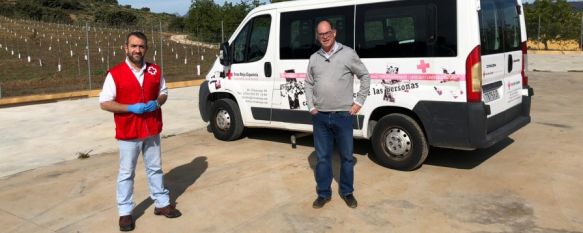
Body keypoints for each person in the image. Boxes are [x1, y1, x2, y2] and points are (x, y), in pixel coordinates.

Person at [99, 31, 181, 231]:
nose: (137, 50)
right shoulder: (115, 74)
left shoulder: (155, 71)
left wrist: (157, 102)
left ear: (146, 48)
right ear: (126, 48)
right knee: (127, 172)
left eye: (141, 46)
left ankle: (161, 203)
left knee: (155, 168)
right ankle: (125, 212)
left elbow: (164, 92)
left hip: (151, 128)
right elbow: (105, 103)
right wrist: (130, 108)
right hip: (129, 132)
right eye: (133, 46)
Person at [305, 20, 370, 209]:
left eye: (327, 33)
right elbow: (308, 83)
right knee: (323, 158)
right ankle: (324, 193)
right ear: (317, 37)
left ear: (334, 33)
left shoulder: (348, 54)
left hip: (343, 116)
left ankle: (347, 192)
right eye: (320, 34)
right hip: (321, 117)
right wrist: (311, 107)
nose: (324, 36)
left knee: (347, 157)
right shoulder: (314, 58)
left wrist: (358, 103)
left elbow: (365, 76)